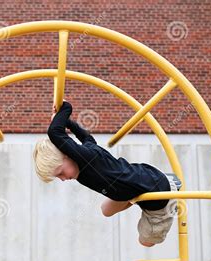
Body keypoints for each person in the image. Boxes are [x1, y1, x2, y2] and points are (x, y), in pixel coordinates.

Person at [33, 101, 178, 247]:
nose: (63, 179)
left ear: (69, 155)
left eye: (60, 173)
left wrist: (63, 110)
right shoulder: (87, 154)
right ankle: (136, 195)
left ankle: (170, 185)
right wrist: (69, 124)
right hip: (132, 183)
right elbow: (87, 138)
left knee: (145, 241)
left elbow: (54, 132)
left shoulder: (87, 157)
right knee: (106, 210)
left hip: (158, 193)